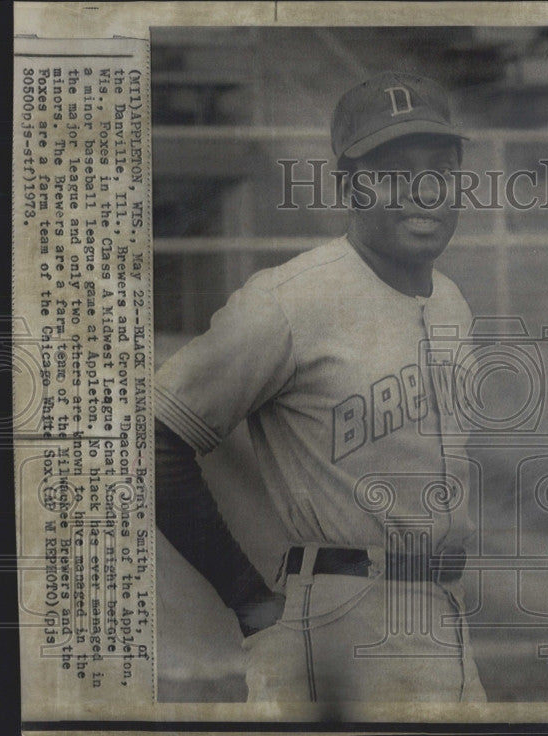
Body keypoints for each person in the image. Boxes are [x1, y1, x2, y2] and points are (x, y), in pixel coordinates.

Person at [154, 71, 486, 706]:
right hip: (338, 611)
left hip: (444, 611)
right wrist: (250, 601)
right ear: (349, 186)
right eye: (392, 173)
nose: (423, 191)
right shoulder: (287, 300)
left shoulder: (452, 301)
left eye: (440, 170)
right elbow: (156, 440)